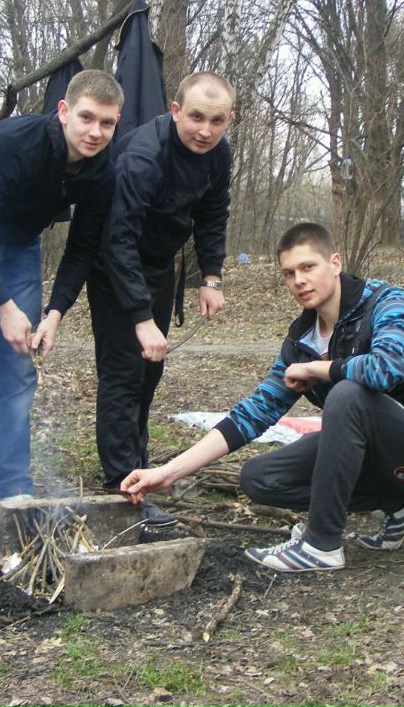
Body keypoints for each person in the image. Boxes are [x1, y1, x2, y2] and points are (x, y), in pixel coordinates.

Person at [122, 222, 404, 569]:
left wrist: (317, 369)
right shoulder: (302, 339)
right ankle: (400, 504)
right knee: (260, 478)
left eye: (308, 267)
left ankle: (321, 545)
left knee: (347, 394)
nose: (299, 280)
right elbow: (252, 414)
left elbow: (385, 369)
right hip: (370, 458)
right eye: (289, 273)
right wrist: (168, 473)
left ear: (335, 263)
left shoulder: (389, 301)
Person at [0, 70, 123, 530]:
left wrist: (54, 313)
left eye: (107, 123)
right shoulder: (14, 143)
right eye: (86, 118)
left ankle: (13, 486)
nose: (95, 132)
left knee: (20, 362)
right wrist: (5, 308)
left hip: (20, 243)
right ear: (63, 111)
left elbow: (82, 247)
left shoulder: (101, 170)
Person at [88, 72, 235, 527]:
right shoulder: (142, 157)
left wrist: (210, 276)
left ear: (228, 120)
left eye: (216, 121)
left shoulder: (218, 154)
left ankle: (139, 466)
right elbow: (118, 239)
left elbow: (213, 213)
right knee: (123, 373)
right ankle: (121, 485)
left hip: (159, 264)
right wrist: (140, 316)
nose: (205, 131)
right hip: (113, 264)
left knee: (150, 371)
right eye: (196, 117)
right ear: (175, 111)